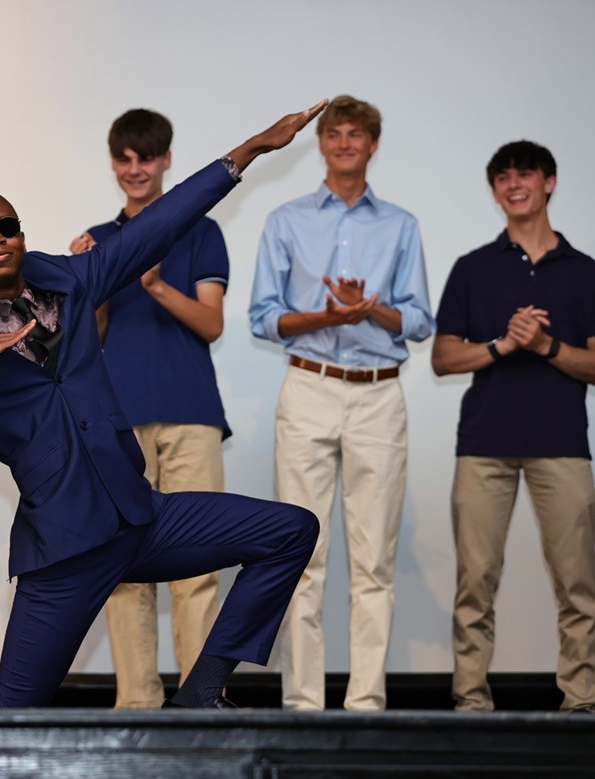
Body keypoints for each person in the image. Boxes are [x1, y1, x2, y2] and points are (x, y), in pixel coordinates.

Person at [0, 100, 327, 709]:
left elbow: (160, 223)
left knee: (290, 531)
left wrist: (247, 153)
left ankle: (200, 695)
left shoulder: (71, 279)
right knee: (8, 712)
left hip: (141, 520)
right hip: (65, 546)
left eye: (7, 225)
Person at [248, 94, 434, 711]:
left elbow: (418, 321)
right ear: (321, 145)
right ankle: (302, 704)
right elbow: (264, 318)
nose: (346, 143)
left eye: (357, 134)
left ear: (373, 145)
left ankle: (366, 705)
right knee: (301, 552)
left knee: (373, 561)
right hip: (307, 387)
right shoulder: (286, 220)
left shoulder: (401, 225)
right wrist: (327, 316)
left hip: (379, 394)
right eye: (335, 134)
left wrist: (368, 310)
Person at [67, 109, 231, 709]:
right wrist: (90, 281)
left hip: (190, 413)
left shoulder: (202, 231)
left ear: (166, 160)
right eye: (125, 158)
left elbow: (211, 324)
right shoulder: (98, 240)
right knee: (121, 566)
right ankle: (137, 703)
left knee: (199, 563)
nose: (135, 169)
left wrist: (157, 285)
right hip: (115, 419)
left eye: (147, 157)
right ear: (114, 164)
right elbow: (91, 336)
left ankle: (200, 699)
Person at [431, 140, 595, 713]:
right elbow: (444, 358)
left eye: (524, 174)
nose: (513, 183)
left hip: (563, 445)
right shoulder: (474, 268)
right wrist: (504, 343)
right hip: (484, 446)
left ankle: (582, 703)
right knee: (475, 583)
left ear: (549, 182)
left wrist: (546, 344)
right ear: (494, 189)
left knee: (579, 586)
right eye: (502, 176)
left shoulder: (584, 272)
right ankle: (470, 704)